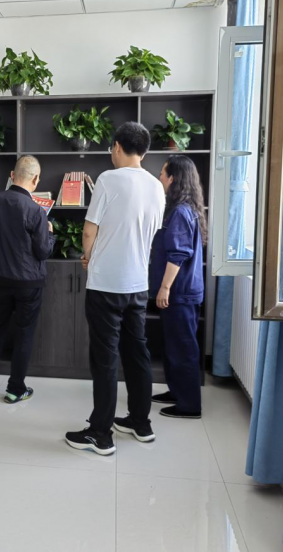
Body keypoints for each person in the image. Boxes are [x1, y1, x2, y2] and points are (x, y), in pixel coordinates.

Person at [65, 122, 165, 456]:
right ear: (144, 151)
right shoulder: (156, 187)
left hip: (106, 284)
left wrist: (88, 256)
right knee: (138, 354)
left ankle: (100, 433)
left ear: (118, 147)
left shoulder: (108, 179)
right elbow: (150, 233)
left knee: (105, 359)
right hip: (138, 285)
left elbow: (89, 230)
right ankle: (140, 422)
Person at [0, 155, 55, 403]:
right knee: (24, 334)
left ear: (13, 175)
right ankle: (15, 389)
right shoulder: (35, 210)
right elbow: (43, 251)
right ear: (36, 179)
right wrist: (50, 234)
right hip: (27, 282)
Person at [150, 156, 206, 419]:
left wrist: (165, 288)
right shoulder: (182, 209)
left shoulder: (181, 212)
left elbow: (178, 254)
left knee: (183, 348)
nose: (160, 177)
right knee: (174, 346)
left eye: (163, 173)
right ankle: (177, 392)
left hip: (179, 292)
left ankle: (189, 405)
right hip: (181, 292)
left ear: (173, 178)